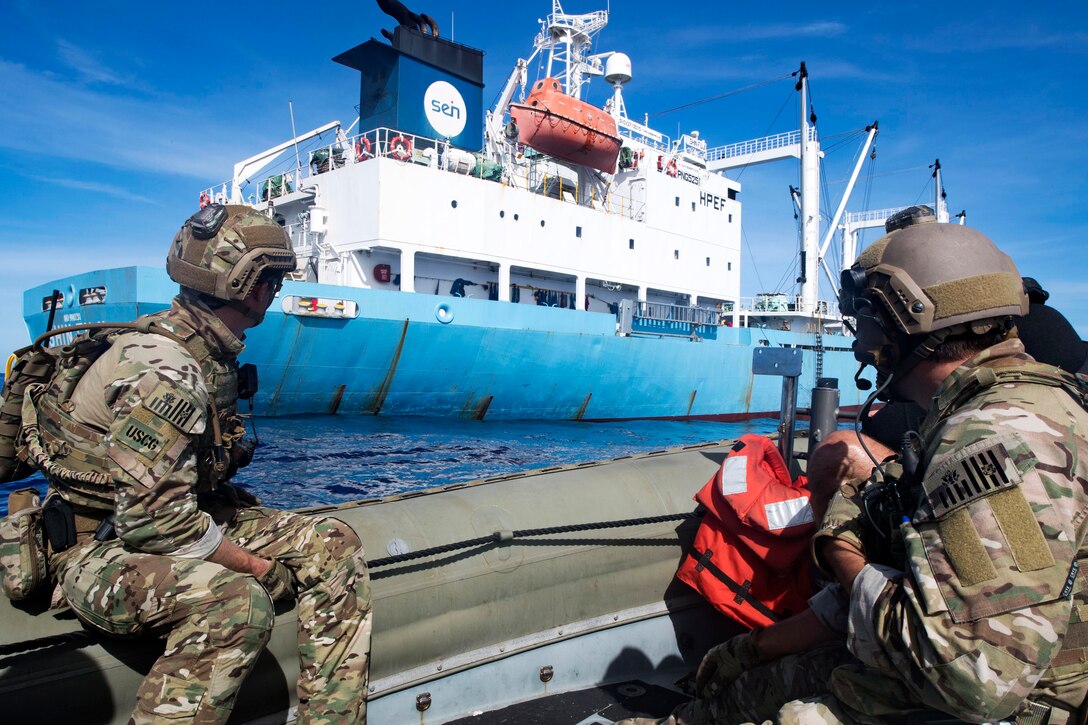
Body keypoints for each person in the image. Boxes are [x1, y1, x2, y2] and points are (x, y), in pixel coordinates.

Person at [625, 214, 1088, 724]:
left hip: (1010, 703)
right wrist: (751, 651)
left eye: (869, 318)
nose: (864, 337)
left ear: (902, 322)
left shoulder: (988, 439)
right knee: (750, 688)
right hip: (986, 670)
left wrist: (841, 549)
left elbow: (973, 680)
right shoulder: (1038, 399)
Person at [21, 205, 371, 724]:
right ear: (254, 286)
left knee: (333, 546)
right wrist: (258, 568)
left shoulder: (198, 348)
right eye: (272, 279)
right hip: (97, 548)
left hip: (152, 527)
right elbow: (155, 523)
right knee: (238, 602)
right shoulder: (165, 370)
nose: (273, 292)